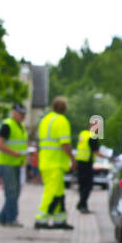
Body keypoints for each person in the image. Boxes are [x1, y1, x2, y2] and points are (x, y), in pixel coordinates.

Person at [34, 96, 74, 230]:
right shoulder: (61, 121)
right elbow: (65, 144)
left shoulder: (45, 120)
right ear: (64, 108)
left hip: (45, 162)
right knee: (52, 193)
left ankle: (60, 220)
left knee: (58, 193)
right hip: (55, 163)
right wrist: (73, 159)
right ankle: (41, 219)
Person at [0, 103, 28, 227]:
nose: (23, 116)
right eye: (20, 113)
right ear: (13, 112)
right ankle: (10, 219)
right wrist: (14, 153)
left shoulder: (21, 126)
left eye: (24, 113)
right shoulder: (7, 125)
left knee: (15, 192)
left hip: (15, 163)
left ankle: (1, 217)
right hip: (6, 162)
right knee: (12, 192)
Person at [73, 124, 100, 213]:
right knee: (88, 186)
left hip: (79, 163)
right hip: (87, 165)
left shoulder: (83, 134)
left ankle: (82, 205)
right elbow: (96, 152)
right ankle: (82, 204)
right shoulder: (92, 137)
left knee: (82, 185)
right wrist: (108, 157)